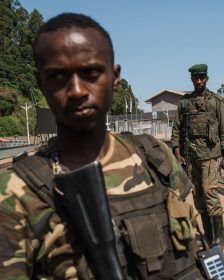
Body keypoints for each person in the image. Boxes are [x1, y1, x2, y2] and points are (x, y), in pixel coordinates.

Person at [0, 13, 203, 279]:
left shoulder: (153, 155)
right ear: (41, 84)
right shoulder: (14, 194)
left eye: (91, 72)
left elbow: (194, 245)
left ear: (114, 76)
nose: (76, 90)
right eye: (59, 76)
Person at [171, 64, 224, 248]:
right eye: (195, 77)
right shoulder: (184, 103)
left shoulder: (216, 101)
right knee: (198, 197)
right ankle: (209, 235)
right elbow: (176, 131)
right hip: (191, 157)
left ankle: (220, 239)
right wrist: (177, 152)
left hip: (210, 156)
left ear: (207, 78)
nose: (198, 81)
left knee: (210, 193)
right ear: (191, 79)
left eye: (202, 77)